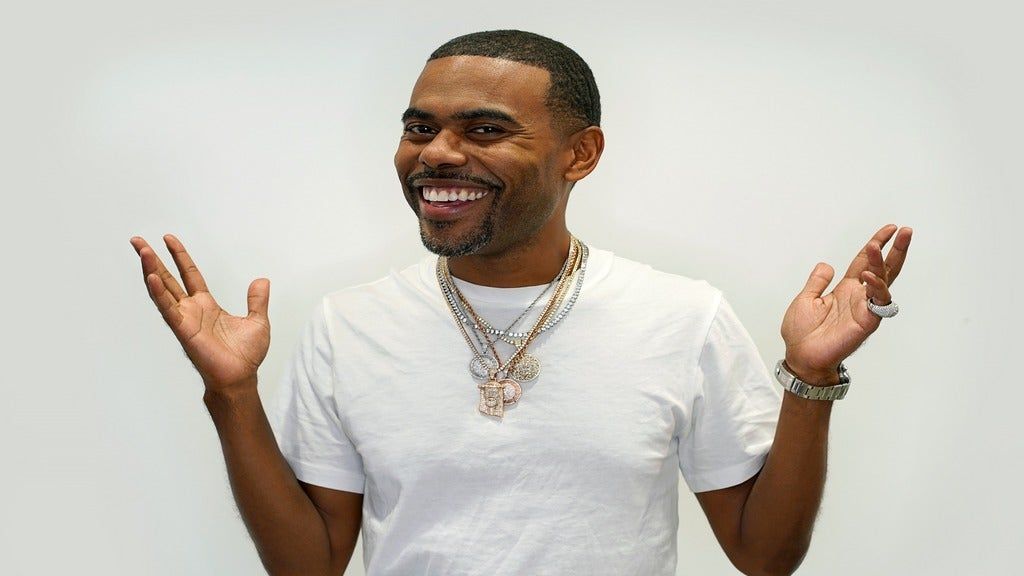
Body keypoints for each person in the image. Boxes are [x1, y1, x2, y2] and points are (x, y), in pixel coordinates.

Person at [130, 30, 912, 576]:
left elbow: (764, 555)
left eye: (484, 129)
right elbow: (308, 566)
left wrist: (810, 379)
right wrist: (232, 394)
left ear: (581, 153)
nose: (437, 153)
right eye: (419, 127)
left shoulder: (683, 316)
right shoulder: (351, 324)